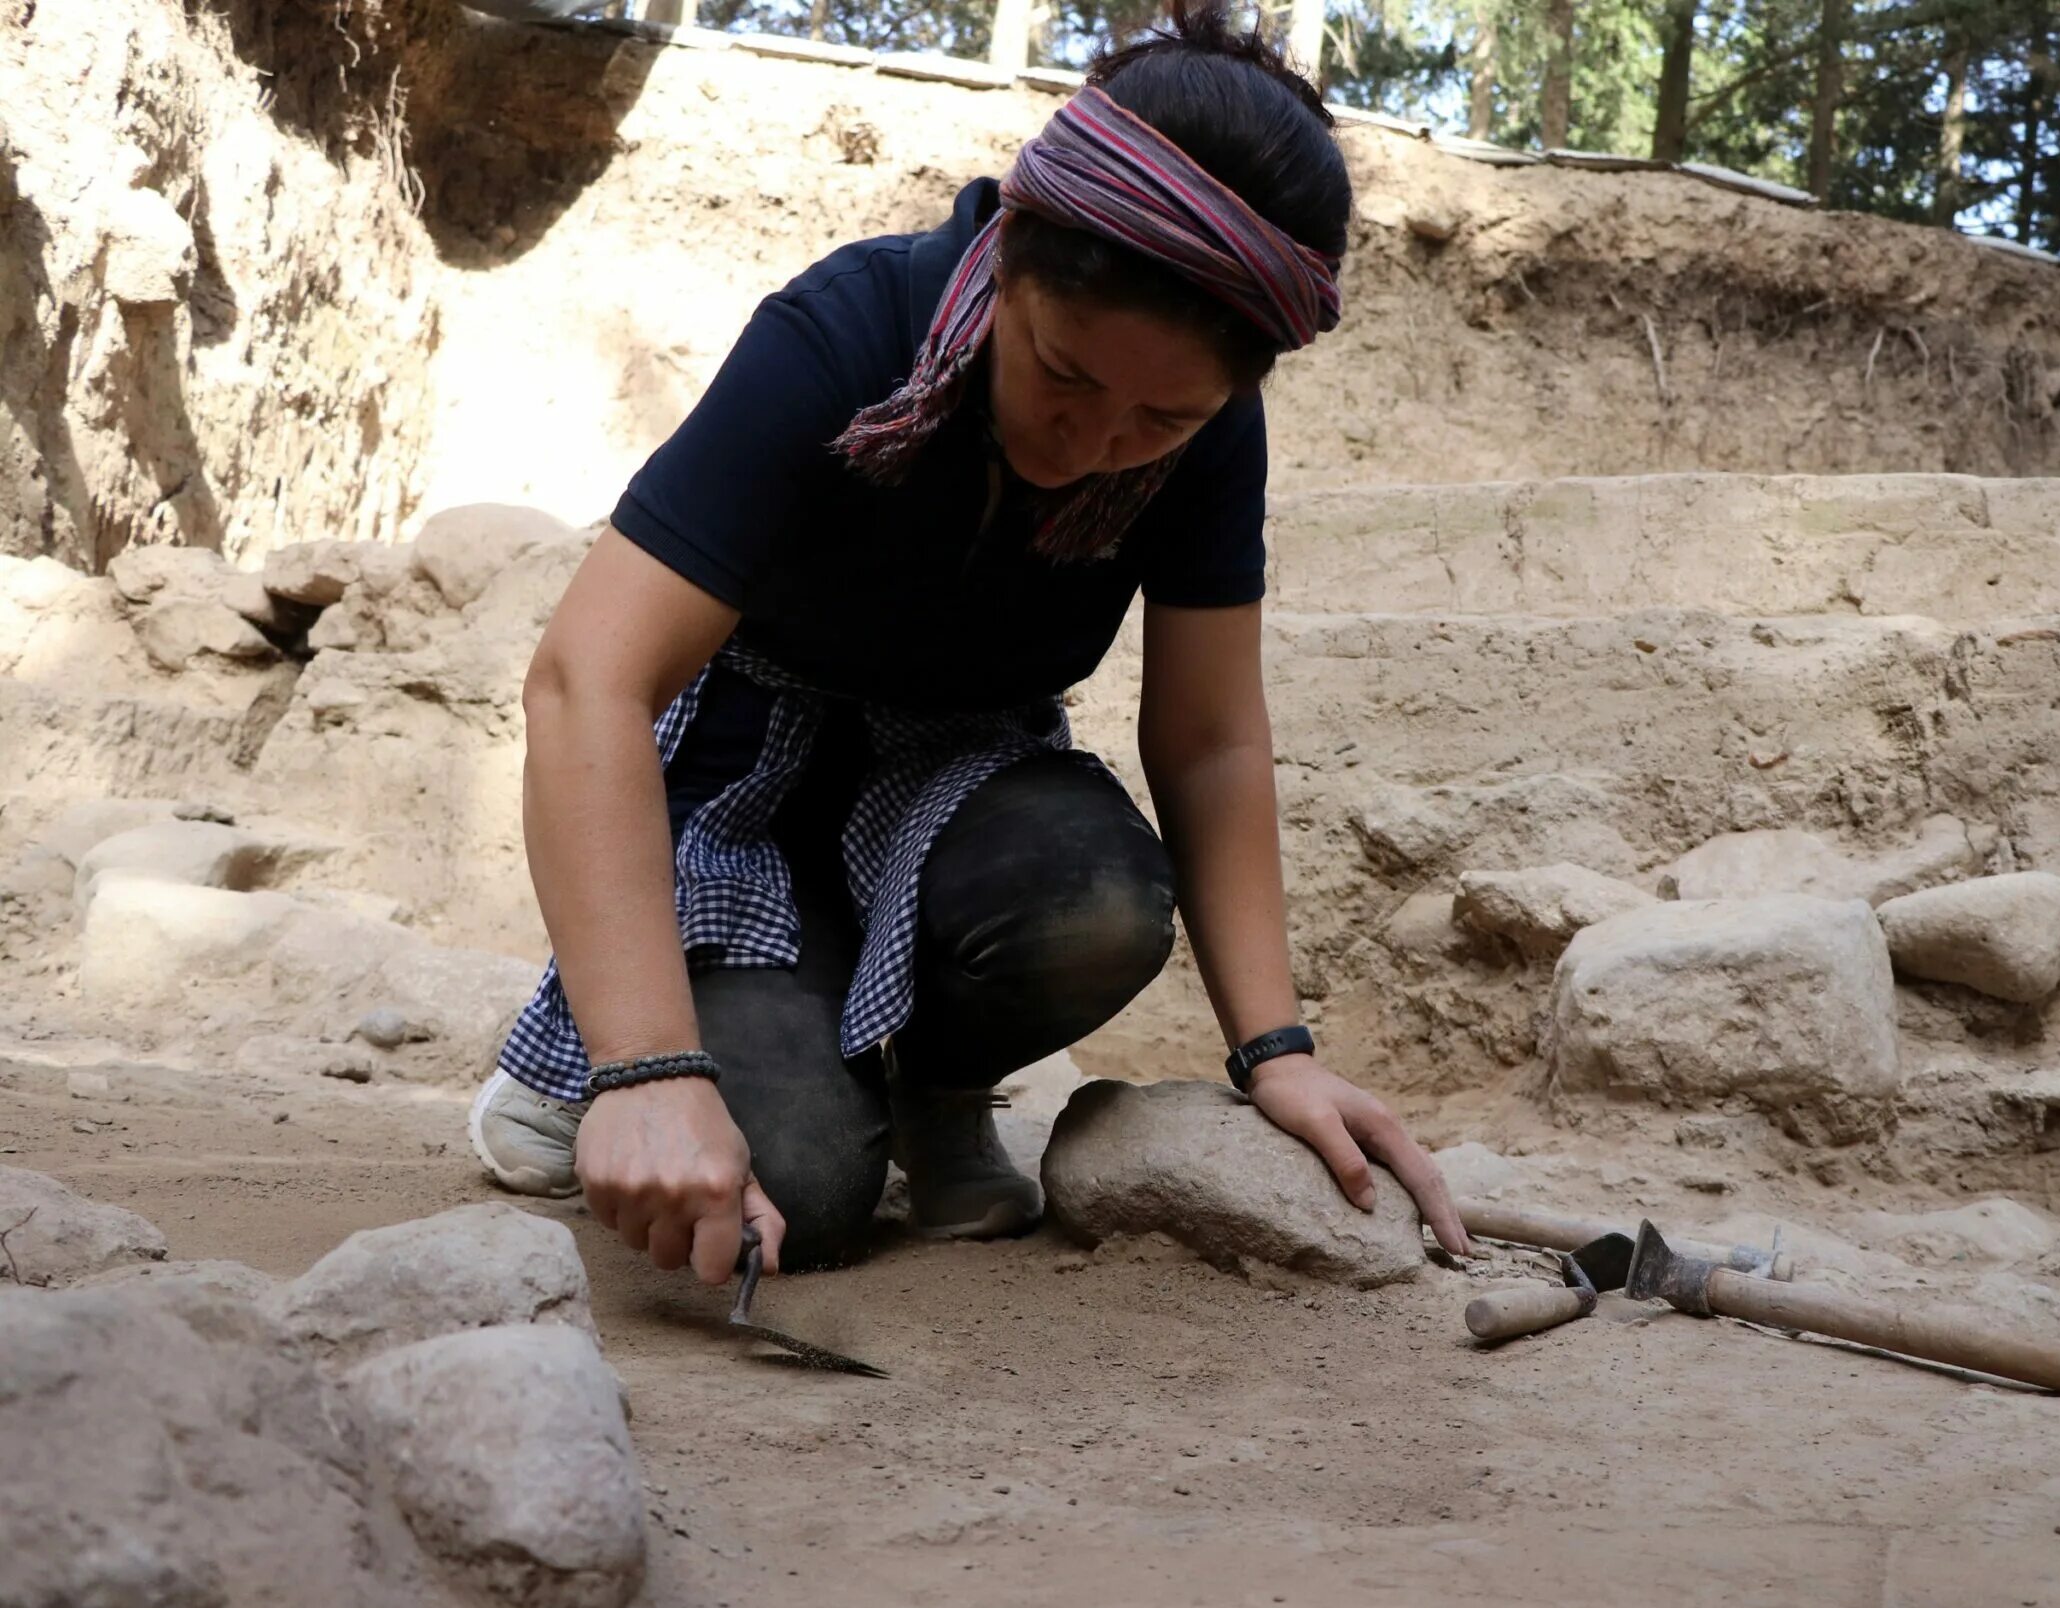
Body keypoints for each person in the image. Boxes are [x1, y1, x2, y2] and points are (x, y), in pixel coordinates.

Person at [466, 1, 1470, 1284]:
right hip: (739, 796)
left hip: (953, 796)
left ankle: (935, 1084)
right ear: (1007, 261)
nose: (1092, 443)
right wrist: (649, 1069)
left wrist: (1276, 1052)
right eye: (1061, 373)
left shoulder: (1210, 438)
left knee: (1099, 902)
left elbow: (1212, 740)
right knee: (806, 1209)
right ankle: (618, 1073)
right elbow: (586, 679)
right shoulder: (844, 333)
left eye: (1157, 419)